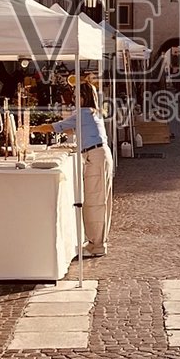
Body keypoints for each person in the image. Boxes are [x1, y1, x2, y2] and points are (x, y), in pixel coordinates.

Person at [54, 83, 113, 258]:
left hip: (95, 156)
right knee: (99, 199)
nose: (73, 99)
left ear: (83, 96)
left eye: (75, 96)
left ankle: (97, 245)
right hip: (99, 154)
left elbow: (57, 127)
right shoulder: (94, 113)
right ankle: (97, 241)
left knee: (95, 200)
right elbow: (74, 129)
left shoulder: (83, 113)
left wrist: (32, 129)